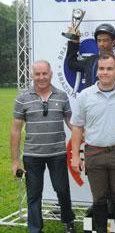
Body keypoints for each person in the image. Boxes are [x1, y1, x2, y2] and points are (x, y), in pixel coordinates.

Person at [70, 52, 115, 233]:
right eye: (101, 69)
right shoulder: (84, 96)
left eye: (109, 69)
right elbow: (77, 127)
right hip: (94, 154)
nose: (105, 72)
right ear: (97, 71)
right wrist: (75, 156)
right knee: (99, 199)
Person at [10, 60, 76, 233]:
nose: (41, 77)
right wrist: (15, 161)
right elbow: (15, 130)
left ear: (51, 74)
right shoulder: (22, 97)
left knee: (62, 190)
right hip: (32, 155)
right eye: (37, 74)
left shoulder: (62, 95)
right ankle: (35, 229)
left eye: (44, 73)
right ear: (32, 75)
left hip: (58, 153)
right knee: (33, 195)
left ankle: (68, 220)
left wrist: (86, 134)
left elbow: (71, 122)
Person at [66, 23, 115, 89]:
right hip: (91, 98)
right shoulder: (91, 60)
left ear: (113, 42)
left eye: (105, 40)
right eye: (99, 41)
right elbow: (71, 63)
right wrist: (74, 43)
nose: (101, 44)